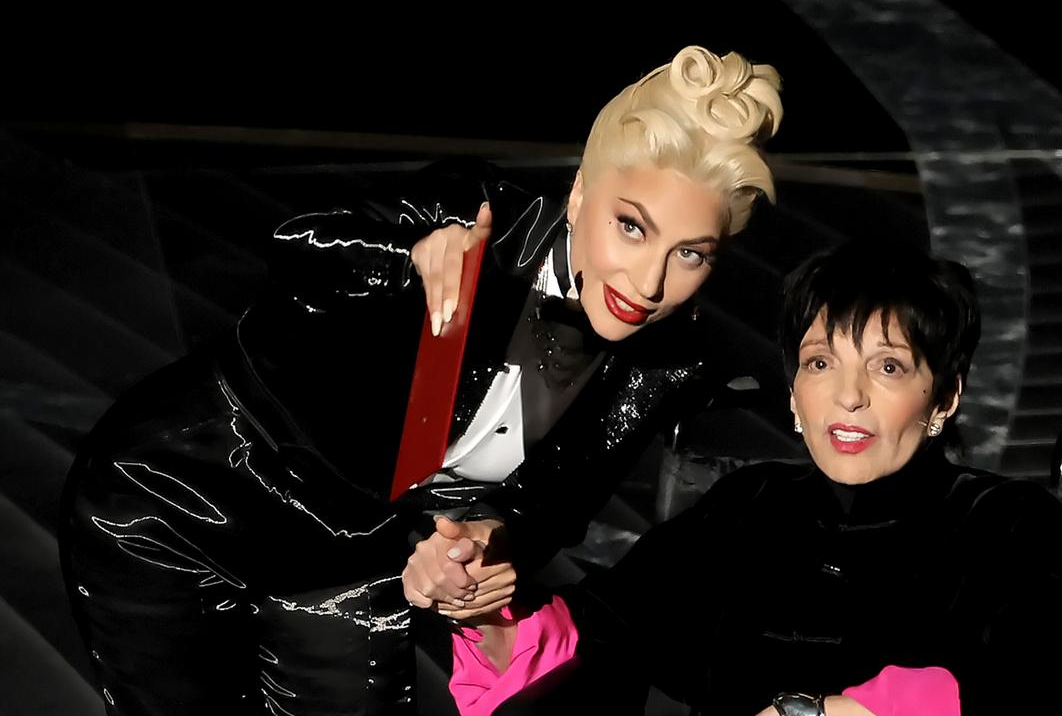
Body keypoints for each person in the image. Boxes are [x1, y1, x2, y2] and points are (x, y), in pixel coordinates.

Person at [59, 45, 783, 716]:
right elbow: (300, 248)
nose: (651, 280)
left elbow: (553, 506)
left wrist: (480, 543)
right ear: (582, 192)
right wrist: (407, 258)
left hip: (348, 570)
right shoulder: (474, 213)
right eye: (632, 227)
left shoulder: (668, 360)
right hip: (179, 504)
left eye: (692, 254)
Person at [556, 239, 1062, 716]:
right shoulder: (746, 504)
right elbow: (604, 622)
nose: (848, 396)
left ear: (945, 397)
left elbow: (1034, 680)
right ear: (793, 392)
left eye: (888, 367)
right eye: (821, 363)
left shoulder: (1009, 522)